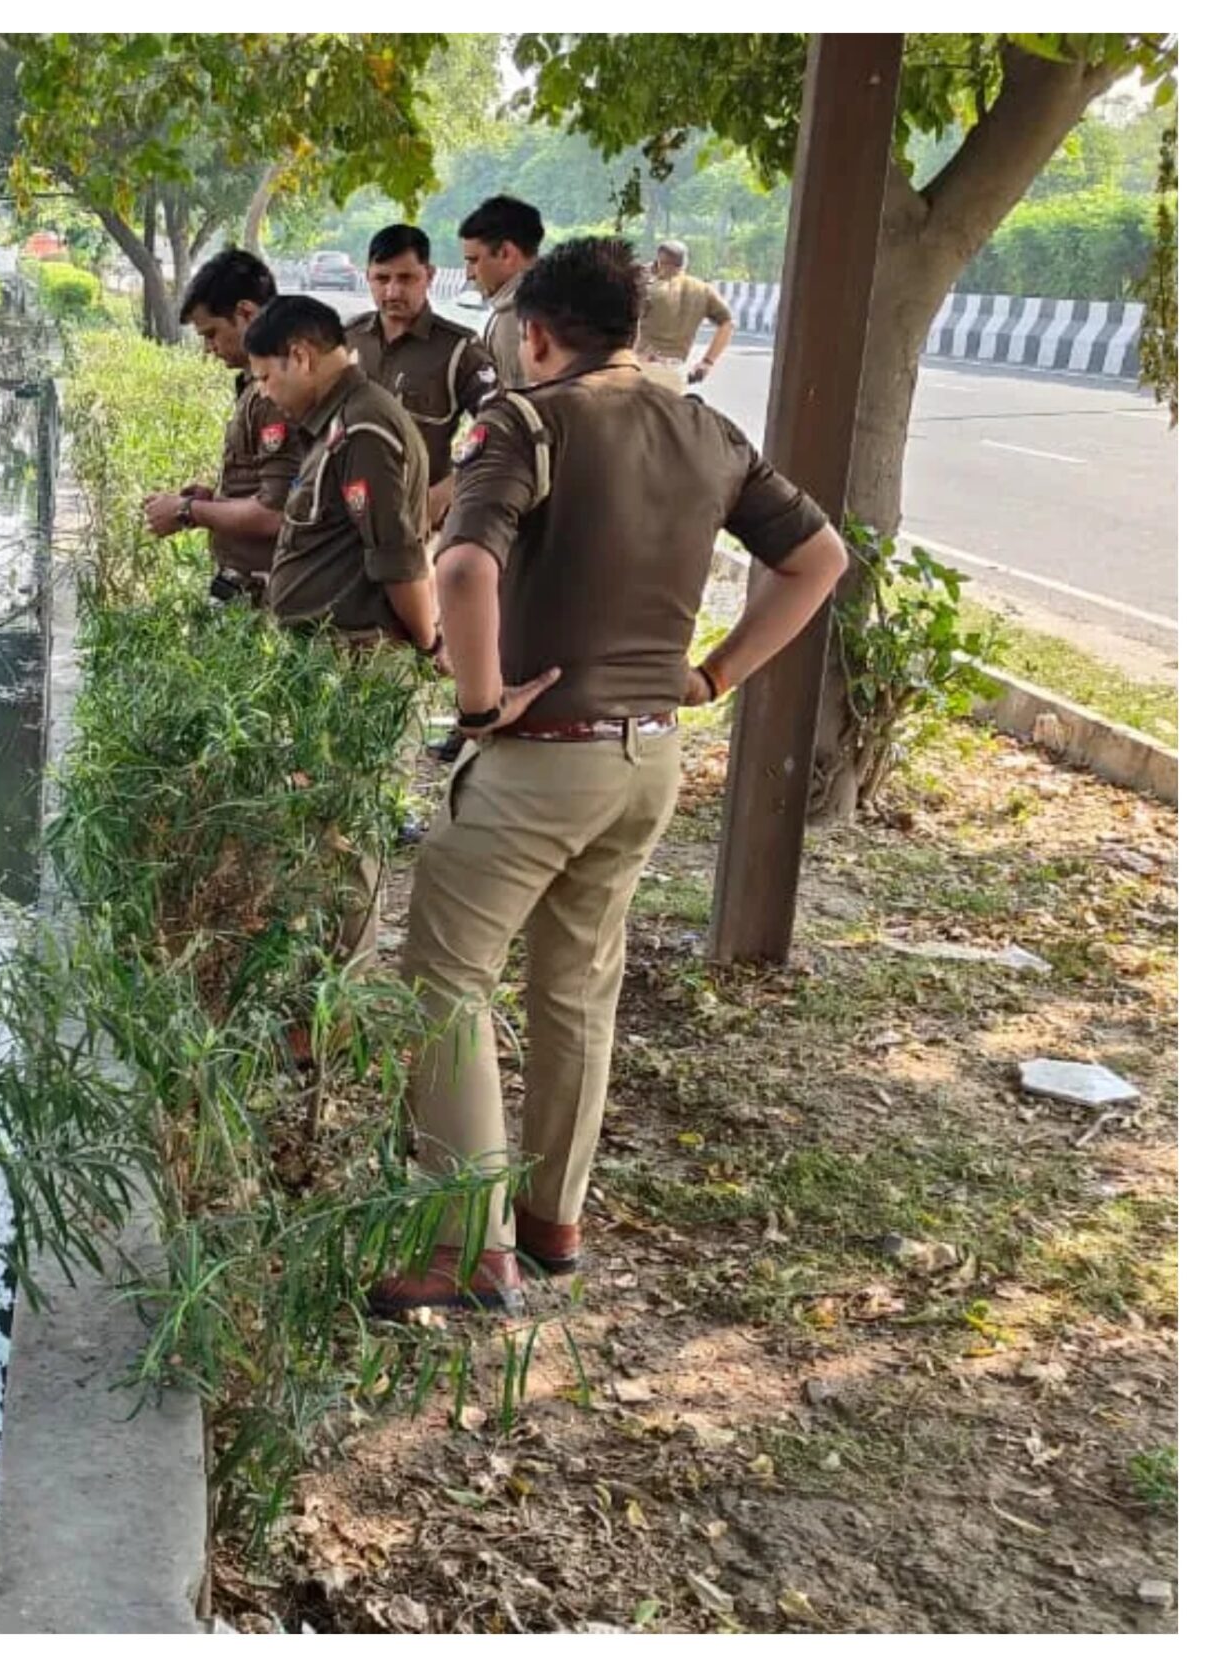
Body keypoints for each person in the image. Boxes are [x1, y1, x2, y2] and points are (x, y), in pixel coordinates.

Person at [374, 237, 849, 1314]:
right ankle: (550, 1219)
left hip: (539, 761)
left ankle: (466, 1245)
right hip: (648, 759)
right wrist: (715, 673)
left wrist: (480, 704)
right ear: (631, 330)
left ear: (535, 334)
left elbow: (458, 564)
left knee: (443, 981)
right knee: (578, 985)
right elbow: (817, 560)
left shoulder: (526, 419)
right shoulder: (709, 430)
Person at [246, 293, 439, 975]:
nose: (266, 396)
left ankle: (338, 1003)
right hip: (327, 658)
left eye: (267, 377)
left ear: (300, 356)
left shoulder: (363, 431)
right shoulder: (337, 425)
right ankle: (318, 984)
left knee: (347, 833)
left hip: (357, 660)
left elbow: (399, 557)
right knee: (318, 826)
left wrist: (426, 642)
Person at [142, 251, 304, 603]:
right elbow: (263, 487)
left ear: (246, 313)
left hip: (269, 589)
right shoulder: (254, 385)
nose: (208, 349)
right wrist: (216, 500)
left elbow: (276, 514)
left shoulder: (274, 394)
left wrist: (187, 513)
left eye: (212, 333)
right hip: (247, 583)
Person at [346, 223, 500, 533]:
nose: (392, 291)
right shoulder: (347, 339)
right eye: (382, 278)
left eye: (406, 278)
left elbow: (500, 428)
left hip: (415, 527)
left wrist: (446, 492)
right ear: (367, 277)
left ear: (429, 275)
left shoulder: (459, 350)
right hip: (346, 523)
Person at [456, 195, 545, 390]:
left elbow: (519, 407)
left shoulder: (516, 319)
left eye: (473, 260)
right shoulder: (556, 301)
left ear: (506, 254)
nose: (469, 274)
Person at [637, 238, 735, 394]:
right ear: (685, 263)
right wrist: (707, 362)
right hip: (677, 370)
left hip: (644, 365)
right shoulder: (703, 289)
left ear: (658, 262)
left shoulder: (649, 289)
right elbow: (727, 324)